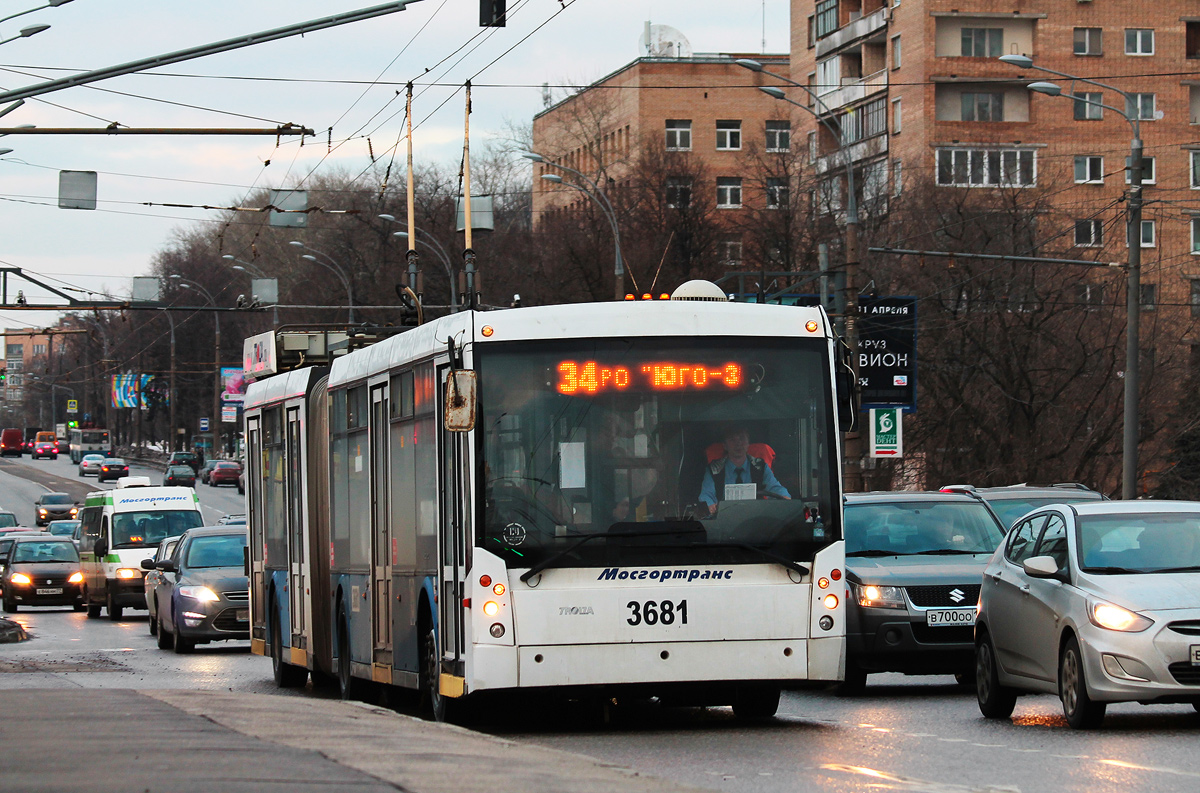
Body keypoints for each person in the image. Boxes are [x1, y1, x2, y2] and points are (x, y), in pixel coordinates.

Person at [698, 426, 790, 515]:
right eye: (732, 440)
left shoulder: (760, 467)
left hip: (756, 519)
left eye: (742, 438)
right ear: (725, 446)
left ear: (748, 444)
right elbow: (706, 495)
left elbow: (774, 488)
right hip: (724, 520)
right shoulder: (714, 469)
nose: (738, 443)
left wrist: (785, 499)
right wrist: (710, 506)